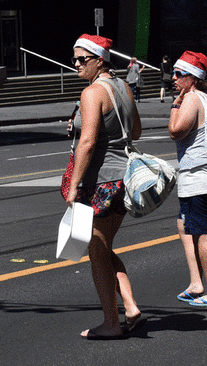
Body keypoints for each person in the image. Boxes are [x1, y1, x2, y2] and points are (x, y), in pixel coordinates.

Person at [66, 34, 143, 340]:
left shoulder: (93, 91)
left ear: (99, 60)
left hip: (100, 181)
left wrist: (73, 186)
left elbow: (87, 142)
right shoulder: (123, 86)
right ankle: (131, 307)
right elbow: (135, 130)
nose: (75, 65)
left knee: (96, 251)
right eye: (73, 59)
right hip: (123, 177)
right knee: (100, 246)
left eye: (81, 59)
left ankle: (112, 323)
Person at [168, 51, 207, 308]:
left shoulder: (192, 98)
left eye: (179, 74)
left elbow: (175, 131)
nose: (173, 78)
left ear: (192, 78)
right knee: (184, 224)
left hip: (199, 178)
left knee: (204, 235)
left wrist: (175, 105)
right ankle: (196, 282)